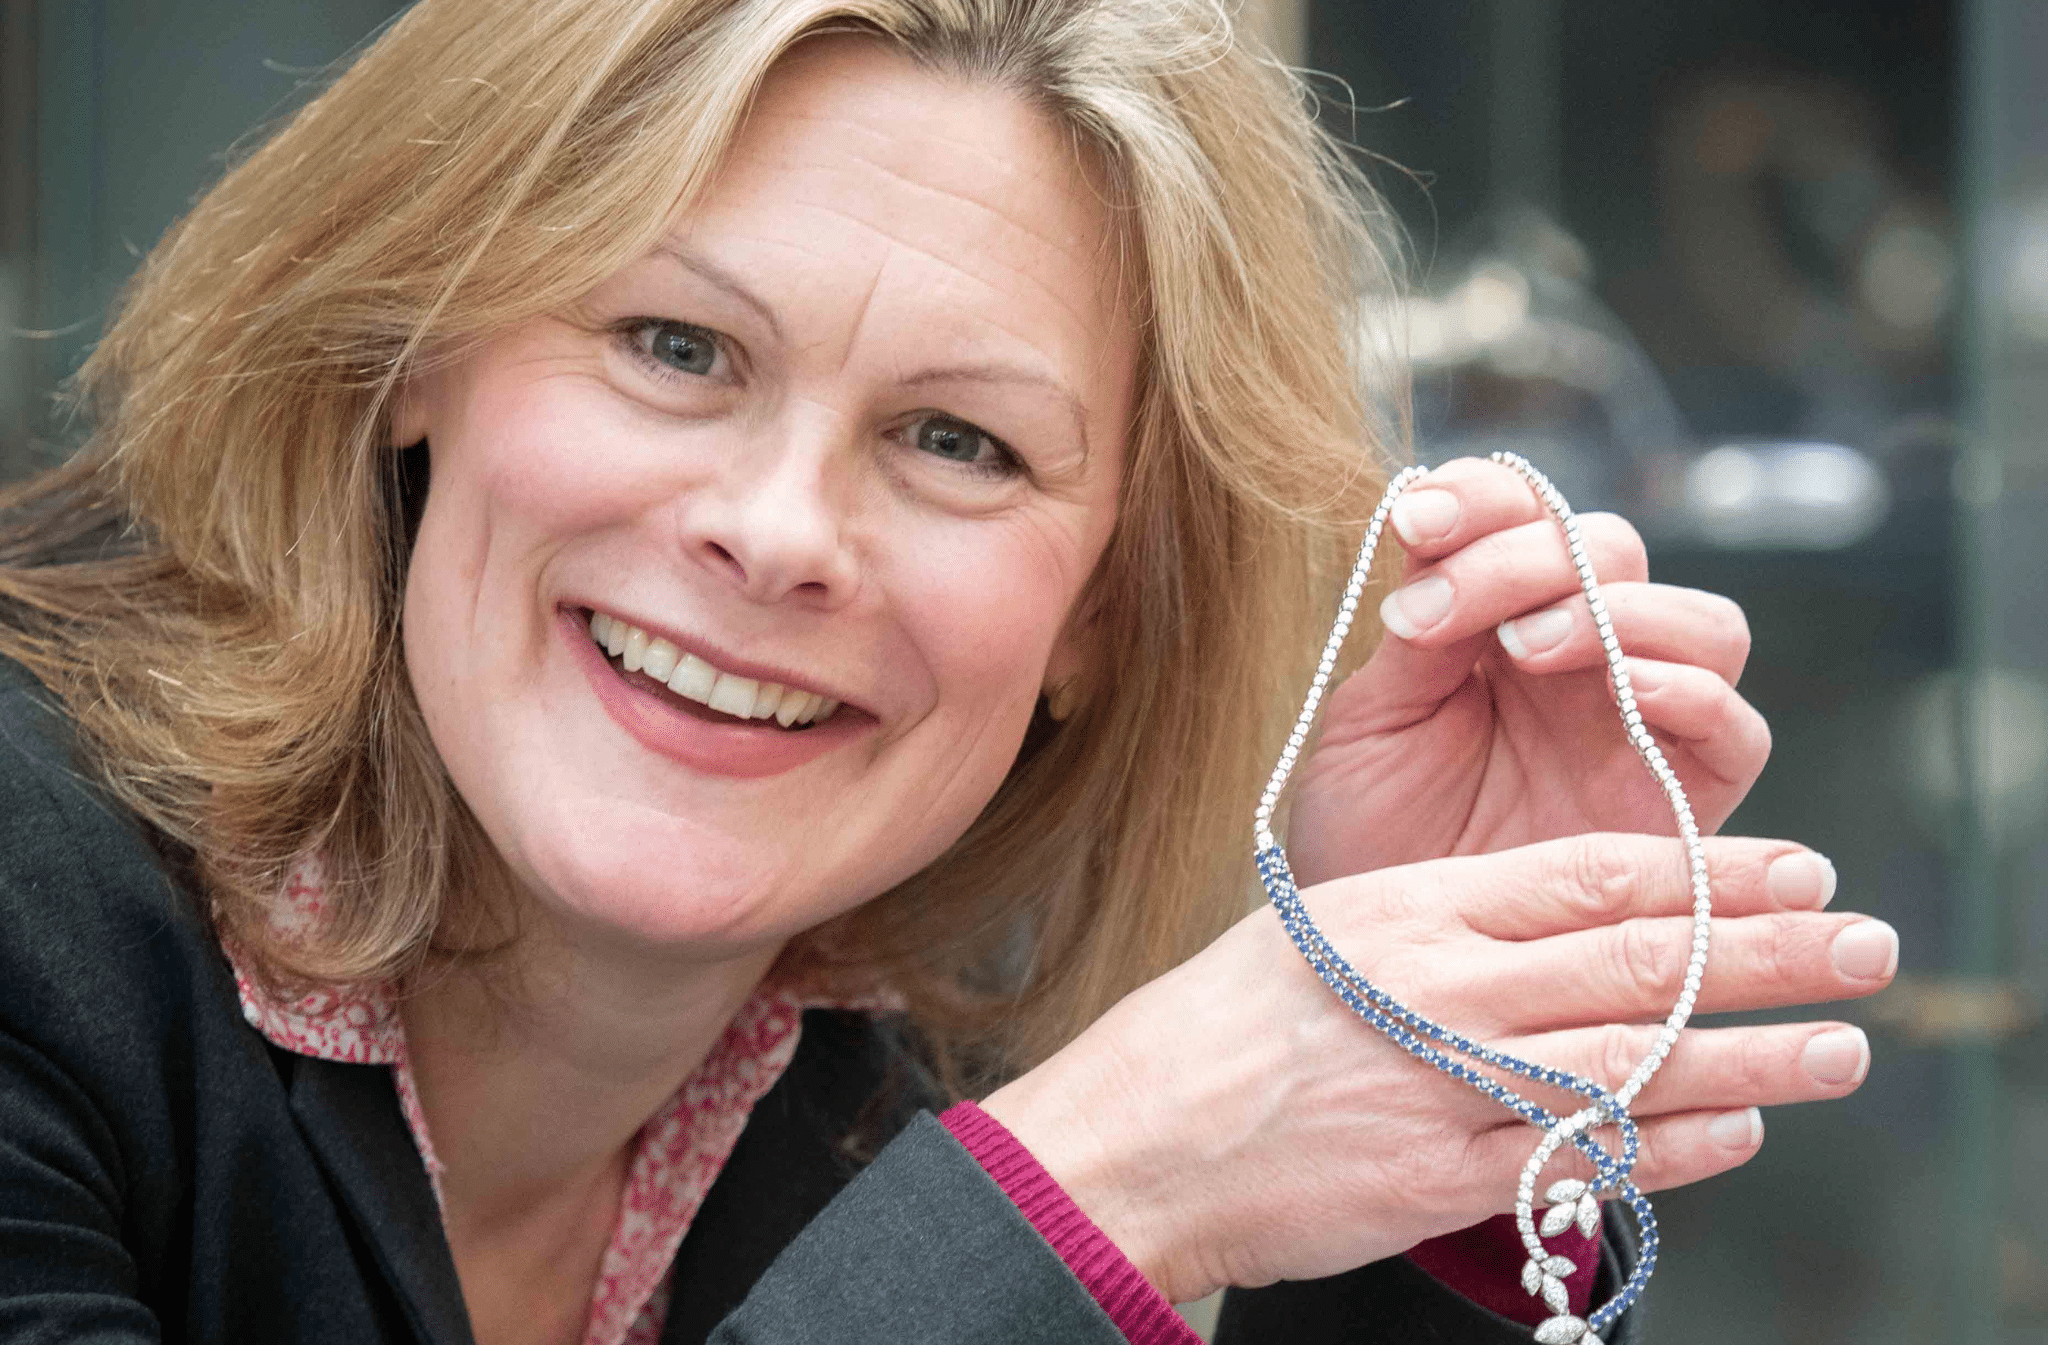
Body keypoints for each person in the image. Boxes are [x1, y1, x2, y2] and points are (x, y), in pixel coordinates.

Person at [0, 1, 1893, 1342]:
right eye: (676, 346)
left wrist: (1428, 1063)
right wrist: (1080, 1202)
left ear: (1100, 615)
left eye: (957, 442)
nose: (780, 532)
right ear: (414, 352)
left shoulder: (933, 1048)